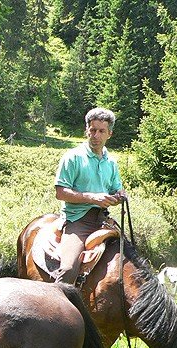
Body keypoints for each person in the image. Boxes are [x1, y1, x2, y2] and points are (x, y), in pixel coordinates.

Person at [52, 107, 126, 284]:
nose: (96, 135)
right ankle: (58, 301)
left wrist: (119, 196)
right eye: (92, 130)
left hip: (103, 219)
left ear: (110, 133)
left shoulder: (111, 162)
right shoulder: (73, 157)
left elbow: (117, 189)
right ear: (86, 131)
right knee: (69, 268)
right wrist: (93, 198)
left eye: (101, 131)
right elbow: (60, 192)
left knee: (131, 257)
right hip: (77, 220)